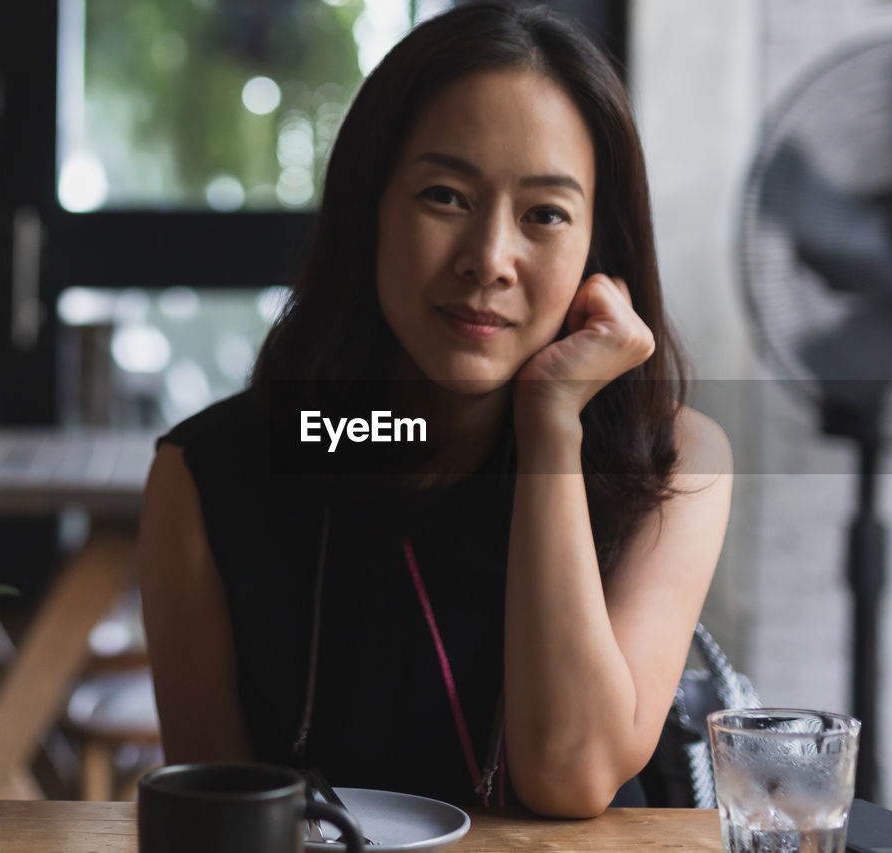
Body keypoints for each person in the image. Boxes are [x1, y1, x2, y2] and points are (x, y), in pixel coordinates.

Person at [137, 1, 732, 819]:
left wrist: (551, 421)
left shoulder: (675, 463)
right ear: (368, 209)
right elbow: (219, 824)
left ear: (600, 251)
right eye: (445, 196)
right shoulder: (208, 477)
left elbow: (569, 772)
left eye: (545, 214)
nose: (489, 259)